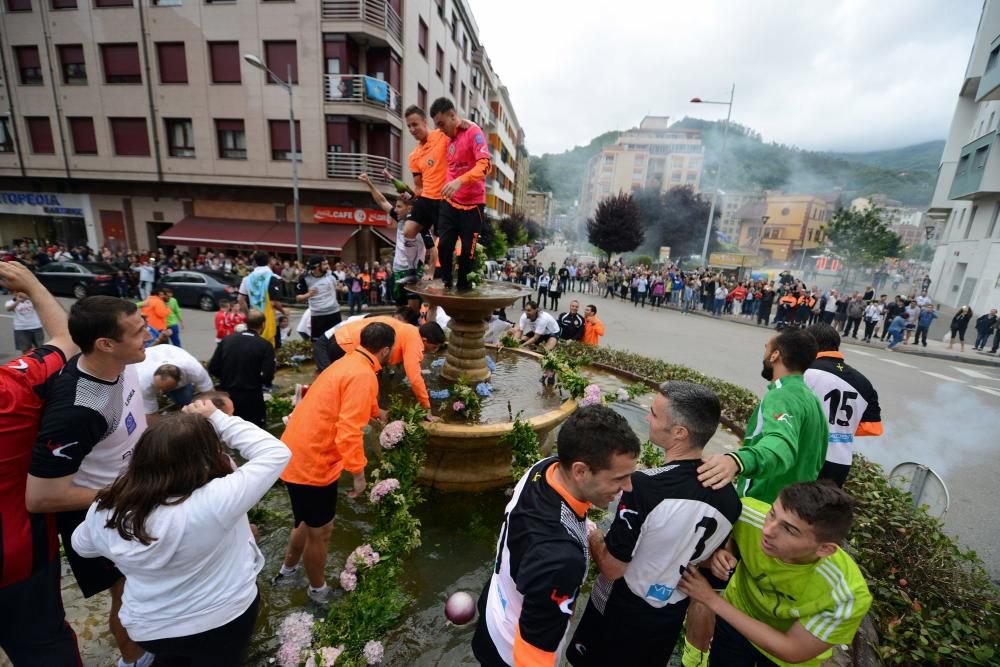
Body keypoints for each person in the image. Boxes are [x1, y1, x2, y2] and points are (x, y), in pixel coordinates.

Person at [70, 400, 290, 665]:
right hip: (222, 621)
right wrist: (216, 417)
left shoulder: (107, 508)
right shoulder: (216, 500)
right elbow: (276, 453)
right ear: (207, 458)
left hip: (150, 630)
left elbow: (81, 546)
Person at [567, 383, 741, 666]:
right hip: (668, 614)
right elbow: (708, 556)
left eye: (654, 414)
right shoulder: (730, 498)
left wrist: (593, 534)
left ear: (679, 433)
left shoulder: (646, 486)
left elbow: (612, 567)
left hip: (620, 608)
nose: (647, 418)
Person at [26, 296, 153, 667]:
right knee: (128, 594)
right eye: (139, 330)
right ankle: (135, 661)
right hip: (100, 512)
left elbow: (61, 329)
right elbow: (41, 497)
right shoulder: (78, 410)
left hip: (131, 493)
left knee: (148, 584)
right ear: (106, 344)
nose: (150, 334)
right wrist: (131, 491)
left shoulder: (121, 361)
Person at [471, 405, 641, 666]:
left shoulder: (545, 469)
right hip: (509, 650)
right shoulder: (561, 559)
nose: (628, 487)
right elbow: (532, 657)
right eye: (620, 478)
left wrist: (587, 529)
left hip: (494, 606)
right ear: (580, 471)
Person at [677, 482, 873, 667]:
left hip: (782, 657)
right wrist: (725, 551)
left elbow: (793, 650)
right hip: (734, 622)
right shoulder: (746, 514)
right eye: (772, 514)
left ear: (825, 549)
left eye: (789, 530)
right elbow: (719, 542)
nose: (768, 530)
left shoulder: (847, 594)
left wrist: (711, 599)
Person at [272, 322, 395, 603]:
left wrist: (378, 412)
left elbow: (355, 402)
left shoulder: (348, 361)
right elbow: (349, 430)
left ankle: (287, 571)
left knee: (305, 520)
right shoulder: (364, 375)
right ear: (386, 350)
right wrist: (359, 472)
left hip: (294, 452)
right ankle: (318, 591)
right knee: (322, 532)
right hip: (313, 464)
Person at [0, 261, 81, 664]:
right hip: (22, 558)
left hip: (23, 555)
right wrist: (30, 283)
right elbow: (66, 338)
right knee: (45, 647)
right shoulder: (12, 388)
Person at [697, 327, 828, 501]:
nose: (764, 354)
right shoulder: (811, 399)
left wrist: (736, 461)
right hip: (793, 507)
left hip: (762, 506)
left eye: (766, 348)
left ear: (775, 355)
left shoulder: (781, 396)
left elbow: (780, 444)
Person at [804, 324, 883, 487]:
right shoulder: (864, 383)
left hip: (806, 455)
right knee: (820, 510)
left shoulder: (805, 372)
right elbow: (873, 427)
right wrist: (840, 429)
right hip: (839, 462)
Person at [430, 97, 492, 290]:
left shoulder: (474, 132)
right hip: (450, 201)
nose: (440, 129)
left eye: (441, 123)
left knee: (467, 251)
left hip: (473, 204)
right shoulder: (443, 136)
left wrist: (460, 181)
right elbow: (426, 135)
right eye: (437, 125)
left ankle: (464, 287)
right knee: (444, 245)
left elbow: (485, 166)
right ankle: (447, 282)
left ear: (452, 115)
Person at [327, 315, 445, 413]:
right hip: (345, 345)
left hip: (342, 337)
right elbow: (414, 378)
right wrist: (426, 407)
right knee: (352, 396)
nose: (434, 350)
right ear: (424, 340)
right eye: (434, 347)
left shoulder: (411, 330)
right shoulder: (415, 342)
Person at [358, 173, 426, 301]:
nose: (395, 209)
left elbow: (433, 249)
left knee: (412, 310)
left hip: (412, 272)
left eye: (399, 207)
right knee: (400, 308)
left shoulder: (420, 225)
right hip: (397, 270)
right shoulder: (399, 218)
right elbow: (382, 201)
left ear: (409, 208)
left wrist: (431, 271)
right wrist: (369, 183)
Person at [208, 311, 276, 427]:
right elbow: (267, 376)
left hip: (227, 394)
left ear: (245, 323)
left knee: (228, 428)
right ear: (263, 325)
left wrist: (226, 378)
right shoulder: (265, 345)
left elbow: (213, 367)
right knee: (253, 430)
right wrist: (256, 380)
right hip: (251, 397)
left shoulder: (227, 340)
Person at [404, 105, 447, 279]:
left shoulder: (441, 135)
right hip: (426, 198)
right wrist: (410, 194)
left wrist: (467, 123)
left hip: (444, 199)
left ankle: (436, 272)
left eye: (415, 124)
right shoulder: (413, 156)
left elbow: (458, 128)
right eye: (409, 126)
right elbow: (418, 186)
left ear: (425, 121)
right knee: (408, 231)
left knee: (442, 241)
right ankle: (413, 269)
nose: (412, 129)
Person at [136, 343, 215, 423]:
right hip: (149, 359)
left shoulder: (195, 370)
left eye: (166, 388)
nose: (161, 392)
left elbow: (210, 394)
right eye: (158, 388)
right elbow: (150, 416)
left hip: (170, 352)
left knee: (185, 400)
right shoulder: (143, 381)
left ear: (180, 380)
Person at [295, 255, 343, 372]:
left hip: (334, 312)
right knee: (317, 342)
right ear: (317, 266)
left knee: (338, 339)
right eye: (325, 264)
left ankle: (338, 364)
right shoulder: (304, 278)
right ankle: (322, 368)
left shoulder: (331, 274)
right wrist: (308, 295)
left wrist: (343, 288)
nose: (327, 266)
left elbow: (341, 285)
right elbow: (298, 298)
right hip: (318, 315)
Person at [238, 250, 286, 347]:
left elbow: (240, 299)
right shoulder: (274, 277)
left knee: (254, 347)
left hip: (254, 319)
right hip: (270, 319)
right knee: (272, 349)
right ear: (269, 261)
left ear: (254, 262)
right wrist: (284, 311)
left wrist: (249, 315)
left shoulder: (247, 279)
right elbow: (275, 303)